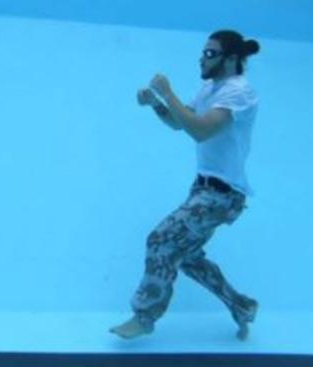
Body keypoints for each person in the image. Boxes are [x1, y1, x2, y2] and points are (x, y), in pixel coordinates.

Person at [110, 30, 260, 341]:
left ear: (231, 59)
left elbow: (201, 132)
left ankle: (144, 316)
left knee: (161, 239)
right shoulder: (210, 87)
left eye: (210, 54)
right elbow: (180, 123)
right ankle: (242, 307)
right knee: (188, 257)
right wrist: (156, 103)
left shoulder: (238, 91)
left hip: (223, 194)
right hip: (203, 189)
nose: (202, 59)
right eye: (203, 53)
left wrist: (168, 91)